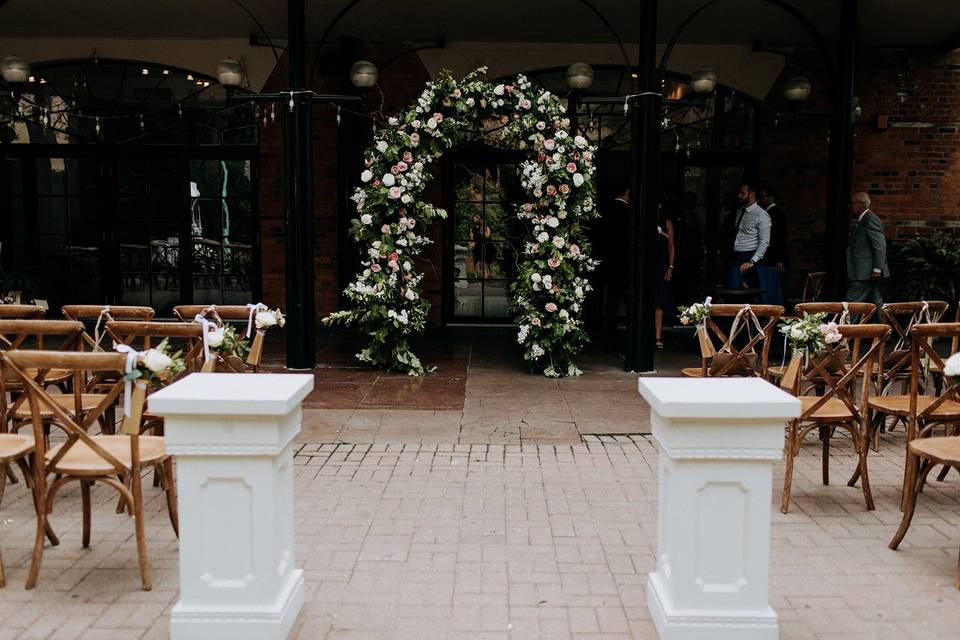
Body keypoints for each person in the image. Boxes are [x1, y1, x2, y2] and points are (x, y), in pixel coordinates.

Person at [846, 191, 888, 315]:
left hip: (864, 273)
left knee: (852, 304)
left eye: (852, 204)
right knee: (875, 302)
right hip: (865, 272)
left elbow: (880, 246)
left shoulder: (870, 220)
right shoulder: (864, 219)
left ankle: (848, 332)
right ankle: (884, 330)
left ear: (859, 205)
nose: (850, 207)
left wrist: (877, 269)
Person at [601, 179, 631, 349]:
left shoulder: (606, 211)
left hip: (610, 263)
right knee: (629, 303)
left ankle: (609, 338)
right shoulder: (628, 212)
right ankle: (628, 339)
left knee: (611, 302)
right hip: (625, 264)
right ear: (627, 192)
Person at [728, 183, 771, 291]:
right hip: (736, 256)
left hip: (749, 257)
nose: (739, 196)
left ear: (751, 194)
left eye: (742, 193)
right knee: (733, 289)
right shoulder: (740, 212)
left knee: (745, 291)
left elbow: (764, 241)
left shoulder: (761, 215)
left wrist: (752, 261)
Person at [758, 186, 788, 305]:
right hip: (770, 257)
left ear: (771, 198)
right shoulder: (769, 213)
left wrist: (779, 259)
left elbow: (779, 237)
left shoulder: (776, 213)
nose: (760, 200)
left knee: (772, 287)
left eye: (762, 197)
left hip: (773, 258)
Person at [655, 204, 675, 349]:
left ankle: (658, 335)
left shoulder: (666, 223)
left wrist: (670, 267)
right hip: (648, 265)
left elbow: (672, 246)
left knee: (659, 302)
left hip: (661, 263)